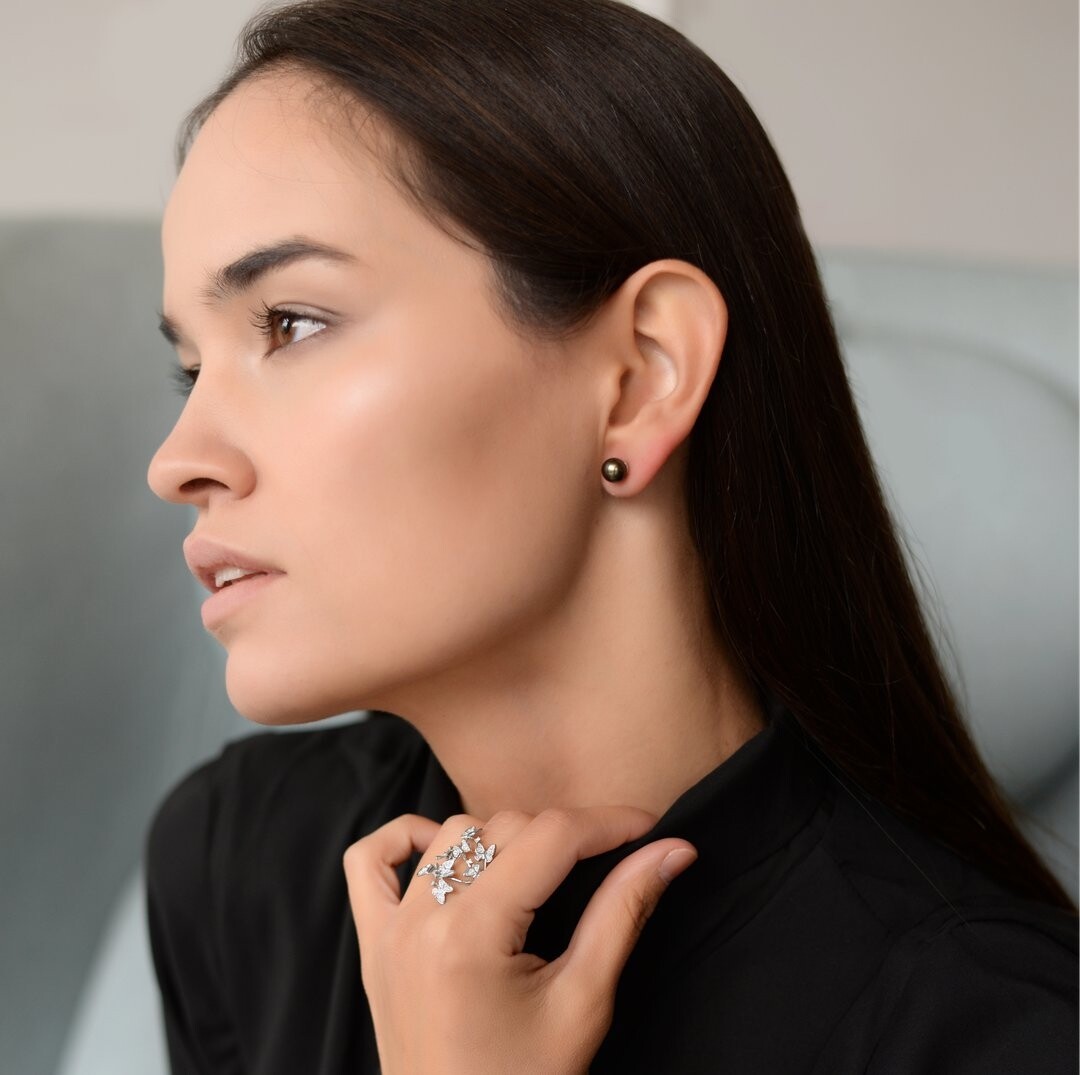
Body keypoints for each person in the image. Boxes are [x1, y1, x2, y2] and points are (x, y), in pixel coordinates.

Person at [142, 1, 1078, 1071]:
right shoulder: (240, 865)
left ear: (641, 375)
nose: (177, 460)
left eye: (292, 323)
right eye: (190, 368)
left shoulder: (1000, 1035)